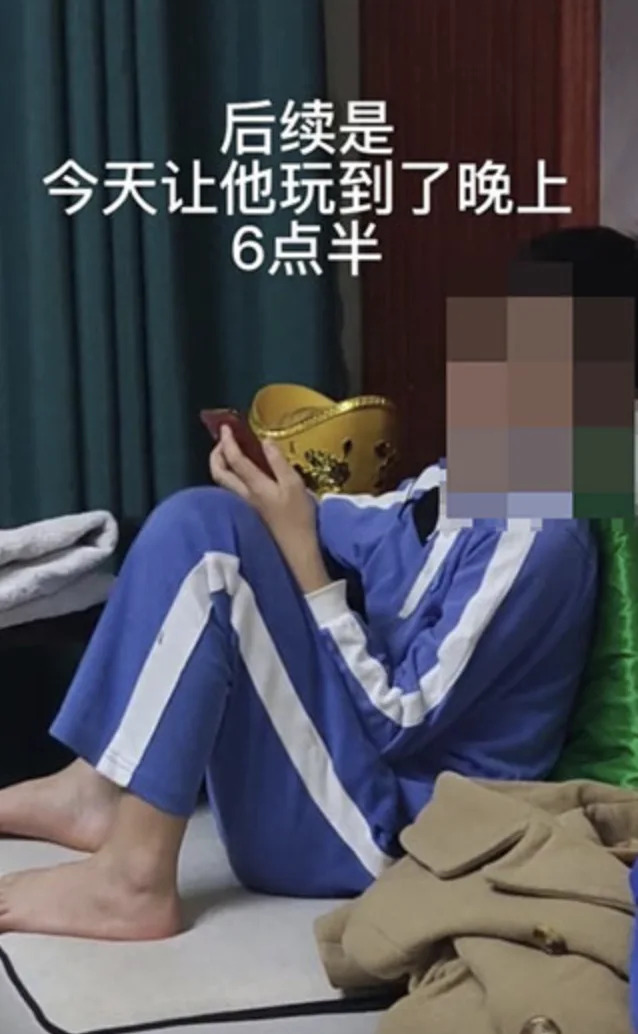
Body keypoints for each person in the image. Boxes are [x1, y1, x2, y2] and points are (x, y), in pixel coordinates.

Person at [5, 228, 631, 944]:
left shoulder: (540, 535)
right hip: (350, 778)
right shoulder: (470, 480)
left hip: (392, 832)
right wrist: (276, 494)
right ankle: (97, 788)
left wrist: (301, 553)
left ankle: (133, 881)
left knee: (213, 554)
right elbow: (355, 525)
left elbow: (399, 722)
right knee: (202, 519)